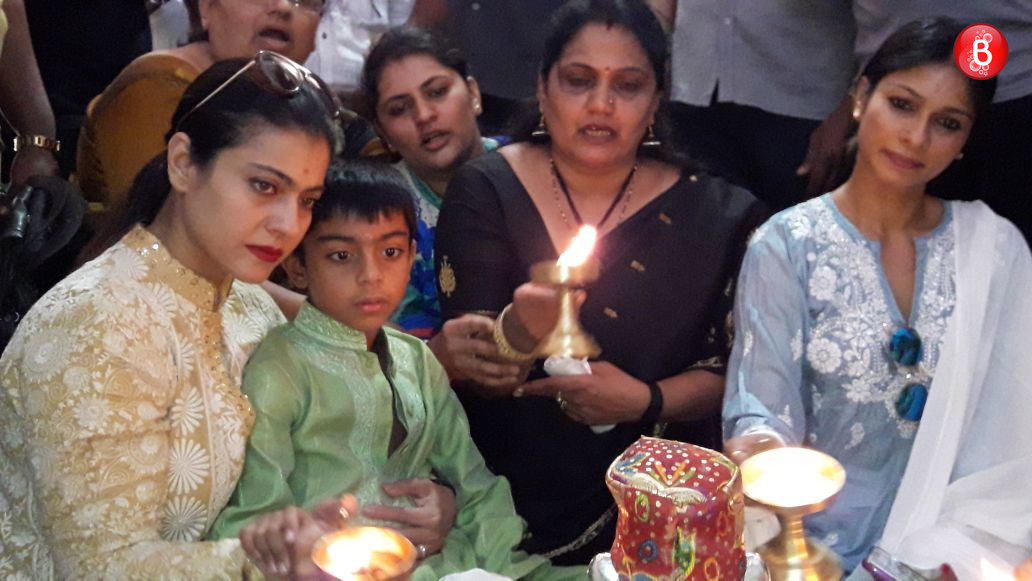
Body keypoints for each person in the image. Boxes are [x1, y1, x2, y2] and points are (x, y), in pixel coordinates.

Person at [435, 0, 766, 565]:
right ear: (542, 89)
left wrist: (644, 399)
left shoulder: (717, 213)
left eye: (628, 85)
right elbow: (474, 367)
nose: (600, 105)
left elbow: (740, 374)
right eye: (578, 80)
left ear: (657, 100)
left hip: (662, 499)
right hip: (501, 492)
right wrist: (518, 332)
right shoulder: (487, 188)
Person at [0, 54, 342, 578]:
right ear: (183, 163)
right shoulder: (98, 326)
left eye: (307, 200)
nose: (288, 225)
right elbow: (102, 568)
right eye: (264, 187)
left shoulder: (242, 298)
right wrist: (273, 562)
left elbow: (354, 360)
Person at [723, 18, 1032, 579]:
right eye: (902, 104)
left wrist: (954, 556)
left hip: (952, 556)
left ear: (966, 141)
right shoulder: (787, 245)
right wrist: (767, 462)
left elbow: (1014, 442)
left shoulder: (996, 250)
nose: (916, 138)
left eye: (948, 122)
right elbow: (759, 410)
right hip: (806, 553)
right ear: (861, 97)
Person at [210, 160, 578, 580]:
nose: (370, 276)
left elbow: (474, 481)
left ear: (412, 256)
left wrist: (504, 564)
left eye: (390, 252)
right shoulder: (282, 369)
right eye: (341, 255)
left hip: (452, 562)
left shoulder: (416, 358)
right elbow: (256, 518)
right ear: (296, 268)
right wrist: (305, 541)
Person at [75, 0, 323, 221]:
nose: (282, 7)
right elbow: (163, 227)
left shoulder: (313, 106)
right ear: (205, 7)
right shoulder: (157, 85)